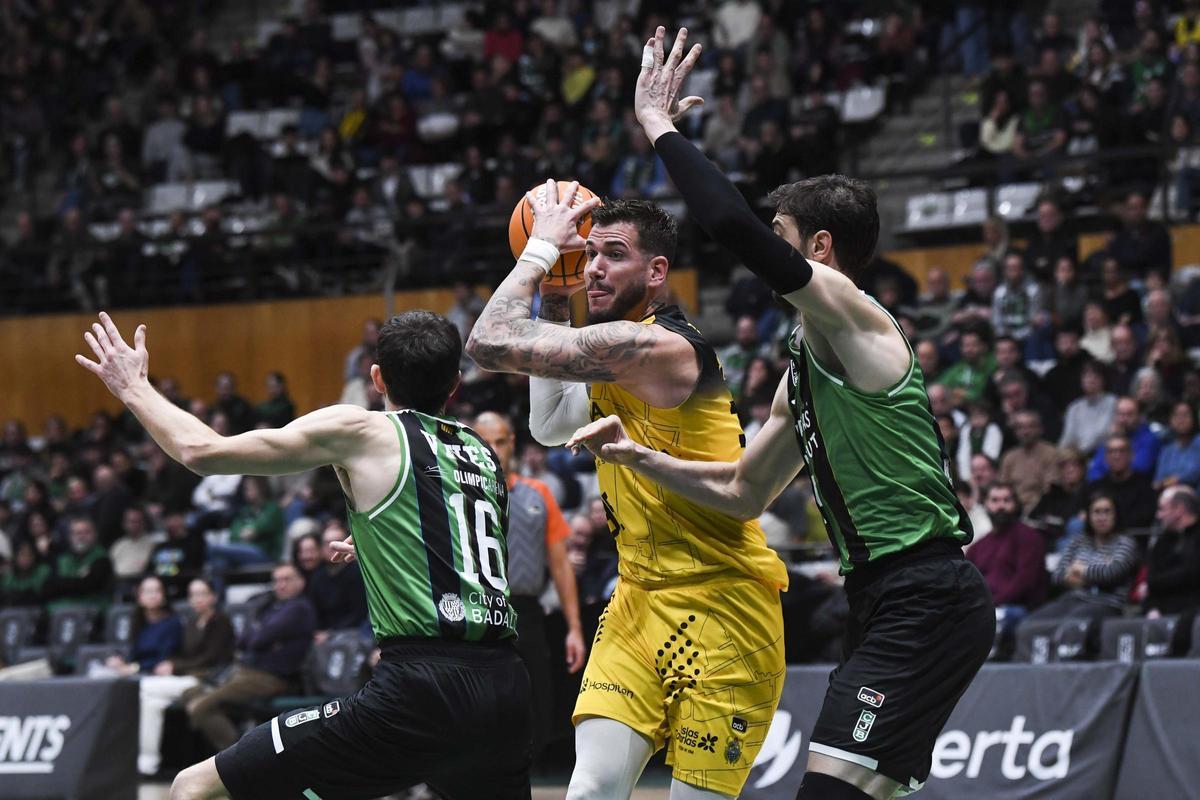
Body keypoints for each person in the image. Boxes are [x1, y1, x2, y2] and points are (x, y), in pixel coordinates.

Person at [568, 27, 994, 800]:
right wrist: (637, 456)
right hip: (878, 598)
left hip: (927, 592)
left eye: (785, 238)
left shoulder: (853, 314)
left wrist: (658, 127)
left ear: (820, 250)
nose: (768, 248)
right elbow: (741, 493)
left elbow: (729, 226)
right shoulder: (800, 372)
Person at [74, 310, 531, 799]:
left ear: (376, 378)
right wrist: (376, 542)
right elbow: (469, 551)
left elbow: (200, 451)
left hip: (419, 687)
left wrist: (133, 388)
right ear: (455, 385)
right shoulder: (481, 451)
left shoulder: (363, 430)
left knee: (194, 787)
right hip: (505, 688)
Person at [467, 177, 789, 796]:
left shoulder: (654, 346)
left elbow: (487, 342)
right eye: (588, 253)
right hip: (638, 600)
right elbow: (551, 423)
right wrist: (558, 296)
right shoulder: (607, 348)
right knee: (588, 790)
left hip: (729, 607)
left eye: (613, 253)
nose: (594, 267)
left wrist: (539, 253)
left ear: (658, 270)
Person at [473, 411, 586, 758]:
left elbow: (560, 564)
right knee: (482, 710)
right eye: (485, 442)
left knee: (537, 705)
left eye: (500, 441)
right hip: (478, 613)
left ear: (512, 444)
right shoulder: (461, 495)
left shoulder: (537, 493)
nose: (493, 449)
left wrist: (575, 629)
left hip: (528, 612)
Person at [182, 563, 316, 752]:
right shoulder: (272, 606)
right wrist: (262, 639)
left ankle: (237, 760)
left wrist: (260, 637)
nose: (281, 584)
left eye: (287, 579)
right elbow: (246, 639)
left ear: (301, 582)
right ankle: (239, 754)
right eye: (277, 580)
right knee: (190, 693)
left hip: (270, 678)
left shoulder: (299, 608)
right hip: (245, 672)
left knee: (201, 707)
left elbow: (259, 638)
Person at [138, 577, 235, 776]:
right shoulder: (191, 622)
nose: (197, 599)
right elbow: (184, 655)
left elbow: (210, 658)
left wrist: (174, 666)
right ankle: (148, 764)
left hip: (208, 679)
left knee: (144, 686)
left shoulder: (220, 620)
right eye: (193, 595)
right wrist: (172, 663)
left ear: (213, 597)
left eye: (202, 594)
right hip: (186, 678)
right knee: (150, 701)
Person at [1027, 492, 1138, 627]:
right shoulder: (1077, 542)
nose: (1102, 517)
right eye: (1096, 512)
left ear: (1116, 515)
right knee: (1030, 624)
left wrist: (1079, 569)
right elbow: (1057, 576)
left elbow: (1112, 573)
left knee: (1071, 624)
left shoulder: (1125, 543)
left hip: (1106, 604)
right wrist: (1096, 574)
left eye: (1107, 512)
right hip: (1072, 600)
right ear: (1088, 516)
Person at [966, 483, 1047, 637]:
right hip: (983, 608)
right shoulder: (977, 547)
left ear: (1015, 504)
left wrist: (991, 605)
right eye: (995, 500)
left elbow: (1025, 582)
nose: (1001, 506)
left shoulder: (1029, 537)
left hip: (1019, 609)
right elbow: (966, 582)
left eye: (1006, 500)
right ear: (986, 505)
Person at [1146, 486, 1200, 650]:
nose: (1158, 515)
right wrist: (1152, 607)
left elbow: (1194, 574)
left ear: (1179, 509)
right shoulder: (1162, 542)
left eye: (1162, 509)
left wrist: (1162, 580)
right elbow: (1151, 581)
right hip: (1163, 606)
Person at [102, 575, 183, 676]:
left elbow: (164, 659)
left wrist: (134, 668)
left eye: (157, 591)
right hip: (137, 672)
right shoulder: (138, 621)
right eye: (148, 591)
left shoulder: (172, 623)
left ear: (164, 596)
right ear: (139, 597)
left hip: (158, 674)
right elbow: (134, 654)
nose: (152, 595)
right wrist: (120, 662)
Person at [1087, 435, 1158, 529]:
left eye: (1121, 451)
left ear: (1131, 455)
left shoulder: (1145, 487)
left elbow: (1144, 520)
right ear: (1105, 457)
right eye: (1111, 451)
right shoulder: (1095, 487)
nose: (1116, 456)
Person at [999, 410, 1059, 510]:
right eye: (1020, 427)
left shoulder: (1051, 453)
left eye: (1030, 426)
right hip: (1013, 509)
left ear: (1040, 429)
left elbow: (1050, 489)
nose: (1025, 431)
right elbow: (1003, 487)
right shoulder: (1009, 457)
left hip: (1041, 509)